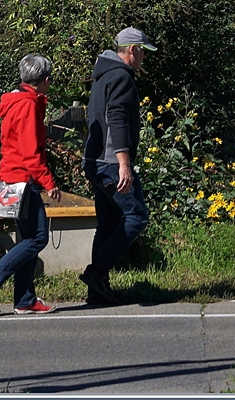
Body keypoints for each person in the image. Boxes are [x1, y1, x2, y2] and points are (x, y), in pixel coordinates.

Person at [0, 54, 63, 314]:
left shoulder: (16, 101)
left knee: (28, 237)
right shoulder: (27, 106)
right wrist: (49, 182)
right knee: (38, 238)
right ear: (44, 80)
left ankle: (24, 299)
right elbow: (30, 151)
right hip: (23, 179)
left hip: (11, 178)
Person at [80, 27, 156, 304]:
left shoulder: (103, 75)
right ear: (132, 50)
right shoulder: (122, 77)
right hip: (112, 162)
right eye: (143, 53)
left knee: (109, 222)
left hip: (95, 160)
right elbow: (116, 118)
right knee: (136, 217)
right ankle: (96, 273)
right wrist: (124, 164)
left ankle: (97, 291)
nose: (143, 59)